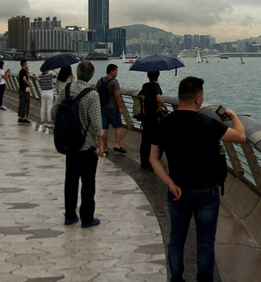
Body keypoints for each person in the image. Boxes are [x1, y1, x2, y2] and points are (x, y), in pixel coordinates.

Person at [150, 76, 245, 282]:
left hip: (177, 191)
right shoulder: (208, 124)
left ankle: (176, 278)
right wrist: (234, 115)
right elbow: (240, 136)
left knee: (176, 239)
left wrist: (170, 183)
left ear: (180, 96)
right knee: (205, 243)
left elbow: (154, 159)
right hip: (206, 192)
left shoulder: (165, 123)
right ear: (198, 99)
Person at [58, 63, 105, 228]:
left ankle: (70, 215)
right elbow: (97, 124)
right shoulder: (92, 95)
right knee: (88, 184)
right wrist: (101, 147)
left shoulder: (66, 90)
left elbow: (54, 112)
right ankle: (87, 218)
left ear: (77, 73)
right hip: (88, 147)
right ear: (91, 75)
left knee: (70, 181)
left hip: (70, 144)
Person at [98, 64, 127, 154]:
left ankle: (105, 147)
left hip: (102, 107)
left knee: (104, 128)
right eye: (116, 71)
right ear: (111, 71)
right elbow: (117, 95)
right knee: (118, 126)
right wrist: (120, 107)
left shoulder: (100, 80)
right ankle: (117, 145)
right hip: (112, 107)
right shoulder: (114, 82)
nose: (117, 73)